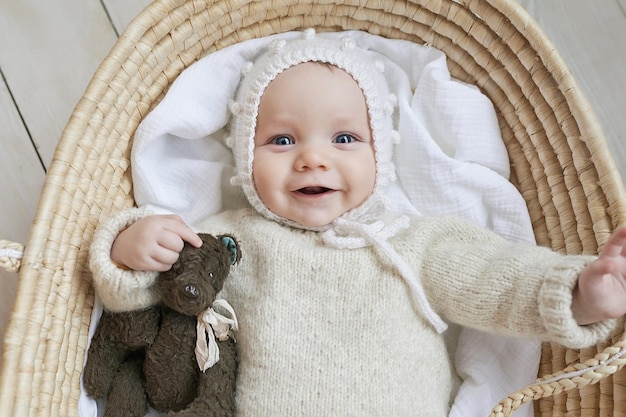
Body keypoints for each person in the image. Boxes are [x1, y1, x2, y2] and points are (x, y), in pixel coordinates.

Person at [89, 30, 626, 416]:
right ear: (244, 160)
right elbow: (169, 299)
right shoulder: (233, 240)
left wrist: (579, 292)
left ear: (381, 159)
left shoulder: (412, 242)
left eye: (344, 139)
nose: (312, 159)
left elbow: (501, 281)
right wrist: (130, 250)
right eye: (282, 139)